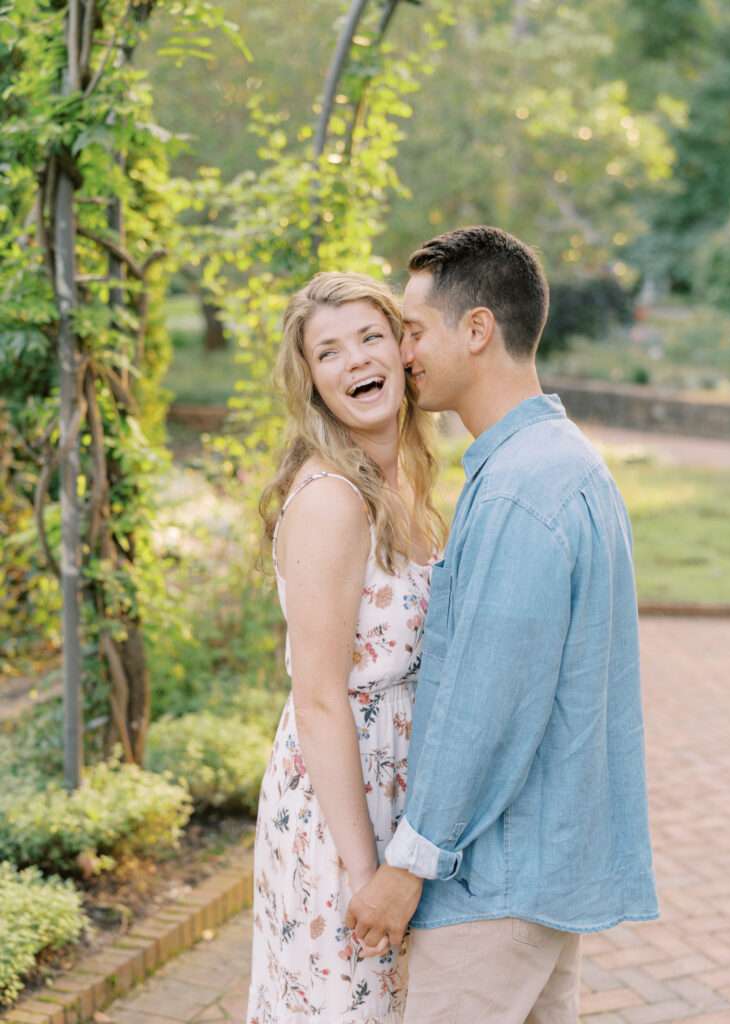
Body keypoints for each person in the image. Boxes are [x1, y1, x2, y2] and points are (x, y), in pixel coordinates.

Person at [346, 226, 659, 1024]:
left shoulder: (524, 488)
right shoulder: (559, 463)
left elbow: (487, 706)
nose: (401, 351)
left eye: (413, 330)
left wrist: (406, 867)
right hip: (542, 873)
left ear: (477, 329)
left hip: (495, 884)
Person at [246, 271, 445, 1023]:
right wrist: (366, 873)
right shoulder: (332, 499)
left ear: (401, 349)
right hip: (344, 802)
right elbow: (321, 696)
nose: (356, 360)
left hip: (398, 783)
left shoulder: (405, 480)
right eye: (329, 352)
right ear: (313, 383)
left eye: (370, 337)